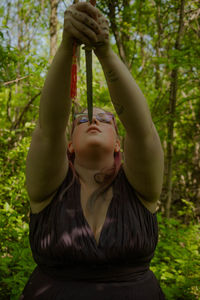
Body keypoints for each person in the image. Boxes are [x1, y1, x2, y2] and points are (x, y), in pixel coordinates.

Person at [20, 2, 165, 299]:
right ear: (70, 144)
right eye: (83, 118)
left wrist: (104, 50)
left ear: (117, 142)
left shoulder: (140, 187)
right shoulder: (49, 186)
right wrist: (67, 47)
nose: (94, 120)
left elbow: (142, 130)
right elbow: (49, 127)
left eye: (104, 119)